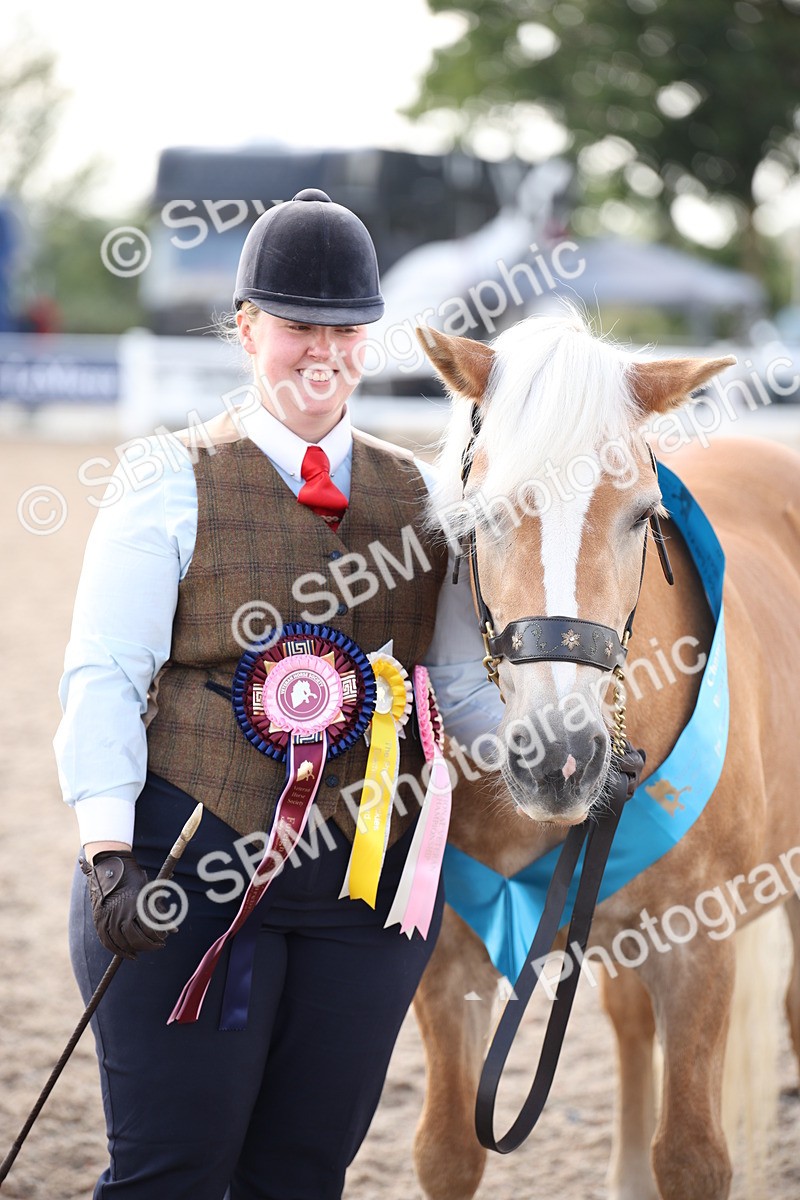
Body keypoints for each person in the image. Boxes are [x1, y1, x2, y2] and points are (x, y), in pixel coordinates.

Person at [55, 188, 503, 1200]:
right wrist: (105, 851)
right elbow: (103, 672)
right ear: (247, 328)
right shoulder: (168, 478)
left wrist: (558, 760)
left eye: (345, 331)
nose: (323, 353)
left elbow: (455, 686)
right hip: (192, 870)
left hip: (367, 890)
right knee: (172, 1170)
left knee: (303, 1174)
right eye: (298, 327)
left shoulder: (425, 495)